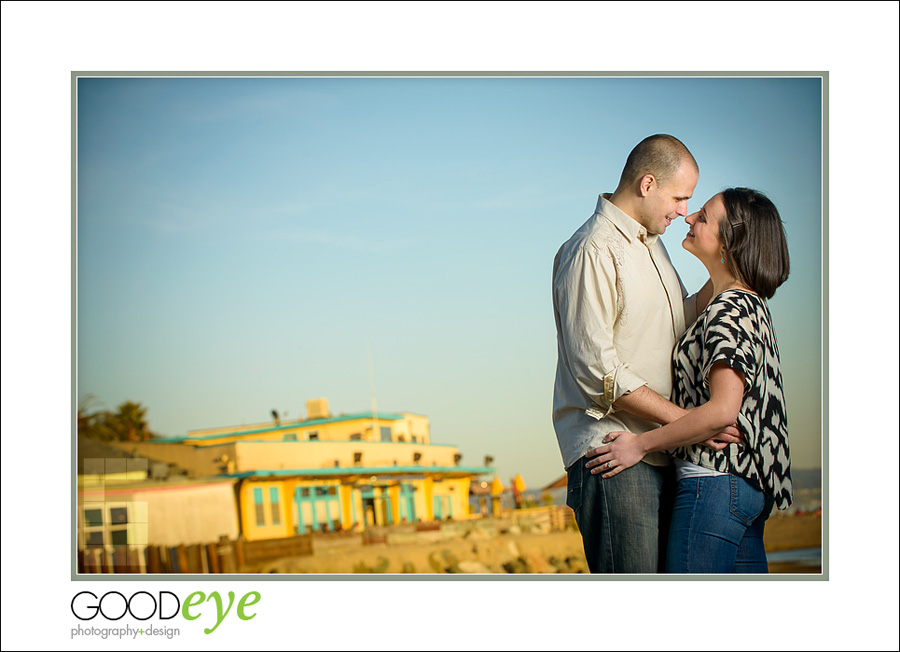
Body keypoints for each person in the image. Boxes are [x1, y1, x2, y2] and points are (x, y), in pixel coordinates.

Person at [552, 134, 738, 574]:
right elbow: (598, 373)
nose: (683, 211)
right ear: (647, 184)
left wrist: (733, 271)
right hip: (613, 454)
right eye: (679, 197)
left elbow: (676, 318)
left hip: (656, 447)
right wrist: (689, 424)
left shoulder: (651, 244)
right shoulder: (592, 250)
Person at [585, 188, 793, 573]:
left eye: (703, 216)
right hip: (747, 487)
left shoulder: (729, 310)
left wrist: (639, 445)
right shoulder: (740, 301)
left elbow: (722, 411)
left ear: (729, 242)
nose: (688, 217)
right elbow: (667, 312)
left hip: (713, 484)